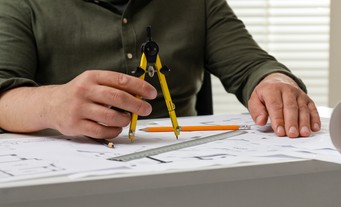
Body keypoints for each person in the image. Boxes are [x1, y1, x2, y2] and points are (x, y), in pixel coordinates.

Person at [0, 0, 321, 139]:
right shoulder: (21, 5)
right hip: (65, 187)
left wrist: (273, 81)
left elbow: (254, 66)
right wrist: (51, 105)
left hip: (184, 179)